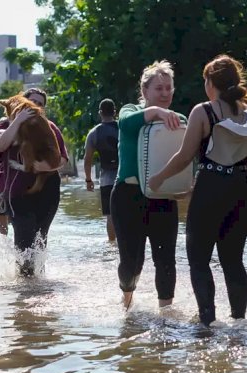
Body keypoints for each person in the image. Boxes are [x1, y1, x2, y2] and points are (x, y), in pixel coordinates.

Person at [148, 54, 247, 326]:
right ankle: (239, 323)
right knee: (233, 260)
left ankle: (207, 323)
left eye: (205, 80)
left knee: (198, 259)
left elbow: (185, 157)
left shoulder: (203, 111)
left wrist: (158, 179)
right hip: (245, 191)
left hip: (211, 188)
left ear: (211, 83)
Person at [111, 60, 186, 310]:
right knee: (132, 262)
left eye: (168, 89)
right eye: (158, 88)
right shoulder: (129, 110)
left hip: (163, 196)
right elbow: (125, 124)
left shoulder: (179, 120)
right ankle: (127, 299)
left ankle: (166, 317)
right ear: (144, 91)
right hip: (127, 197)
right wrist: (156, 112)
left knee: (166, 260)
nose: (165, 94)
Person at [0, 87, 69, 278]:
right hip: (17, 193)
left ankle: (39, 285)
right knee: (25, 238)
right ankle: (24, 289)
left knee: (40, 238)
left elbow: (63, 159)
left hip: (48, 190)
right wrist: (18, 120)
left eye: (40, 104)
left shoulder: (48, 127)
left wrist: (42, 167)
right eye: (32, 102)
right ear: (22, 103)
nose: (36, 107)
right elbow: (0, 146)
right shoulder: (3, 126)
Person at [84, 98, 119, 242]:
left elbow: (88, 159)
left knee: (110, 214)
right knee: (129, 213)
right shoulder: (123, 128)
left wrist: (88, 179)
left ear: (100, 113)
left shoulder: (94, 133)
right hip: (126, 176)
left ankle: (112, 245)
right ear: (115, 112)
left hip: (106, 180)